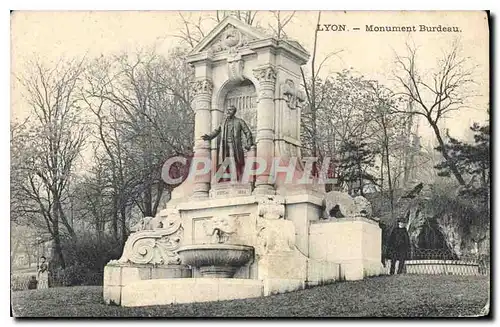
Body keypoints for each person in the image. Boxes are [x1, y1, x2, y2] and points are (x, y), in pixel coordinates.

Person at [202, 105, 254, 182]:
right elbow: (216, 131)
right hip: (224, 145)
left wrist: (249, 143)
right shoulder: (223, 122)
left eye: (230, 110)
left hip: (235, 145)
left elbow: (247, 132)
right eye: (227, 110)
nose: (228, 112)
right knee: (224, 161)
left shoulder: (239, 121)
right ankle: (226, 177)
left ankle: (236, 178)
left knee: (234, 160)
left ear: (234, 111)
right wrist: (209, 137)